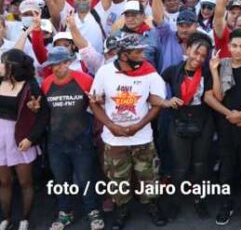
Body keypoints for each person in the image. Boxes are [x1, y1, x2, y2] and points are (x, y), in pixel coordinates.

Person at [88, 35, 167, 230]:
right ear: (124, 56)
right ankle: (122, 210)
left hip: (143, 137)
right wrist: (111, 126)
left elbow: (156, 104)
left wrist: (139, 125)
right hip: (114, 139)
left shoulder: (150, 73)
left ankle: (152, 206)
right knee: (117, 179)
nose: (143, 55)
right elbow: (94, 102)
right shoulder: (105, 72)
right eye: (138, 52)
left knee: (148, 175)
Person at [203, 28, 241, 229]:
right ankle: (225, 205)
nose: (238, 50)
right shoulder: (222, 66)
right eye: (234, 46)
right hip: (226, 129)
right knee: (226, 172)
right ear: (228, 47)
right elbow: (217, 96)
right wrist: (214, 71)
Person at [40, 46, 104, 230]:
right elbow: (44, 111)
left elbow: (97, 103)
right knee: (61, 180)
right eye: (52, 65)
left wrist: (99, 100)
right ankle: (65, 213)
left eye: (59, 64)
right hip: (55, 141)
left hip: (81, 140)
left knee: (85, 179)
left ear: (68, 62)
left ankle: (93, 212)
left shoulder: (84, 79)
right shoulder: (47, 83)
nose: (55, 68)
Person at [159, 32, 215, 219]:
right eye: (195, 52)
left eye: (202, 55)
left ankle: (199, 200)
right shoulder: (172, 71)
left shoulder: (208, 72)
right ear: (187, 49)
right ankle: (175, 202)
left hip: (203, 122)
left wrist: (214, 71)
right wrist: (166, 101)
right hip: (178, 122)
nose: (198, 58)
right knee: (180, 167)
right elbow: (153, 91)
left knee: (200, 165)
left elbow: (217, 95)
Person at [0, 50, 48, 230]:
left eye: (3, 62)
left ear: (13, 67)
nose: (0, 65)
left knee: (25, 182)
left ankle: (24, 220)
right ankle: (6, 218)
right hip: (0, 138)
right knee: (4, 182)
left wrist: (31, 138)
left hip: (20, 138)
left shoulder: (30, 85)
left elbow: (43, 115)